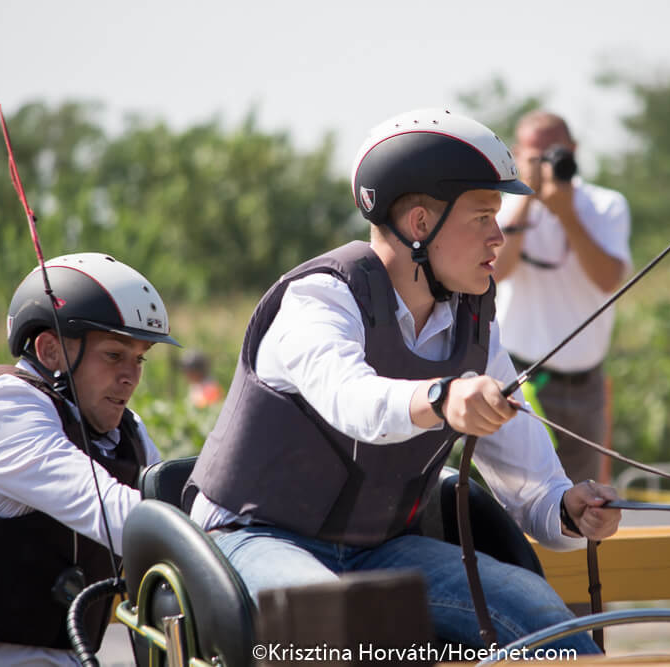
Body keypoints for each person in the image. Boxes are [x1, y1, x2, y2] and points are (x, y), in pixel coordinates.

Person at [186, 108, 622, 654]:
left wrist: (569, 509)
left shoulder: (475, 324)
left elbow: (530, 479)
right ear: (420, 224)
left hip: (379, 550)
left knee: (546, 621)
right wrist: (442, 397)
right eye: (483, 217)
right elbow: (352, 398)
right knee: (346, 626)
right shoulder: (319, 298)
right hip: (253, 537)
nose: (498, 238)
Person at [0, 252, 180, 666]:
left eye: (139, 358)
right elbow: (127, 516)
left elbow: (173, 512)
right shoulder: (4, 407)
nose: (130, 376)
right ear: (51, 350)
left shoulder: (126, 433)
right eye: (114, 355)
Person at [493, 110, 632, 484]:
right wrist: (526, 201)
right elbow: (494, 273)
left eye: (554, 154)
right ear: (517, 155)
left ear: (573, 151)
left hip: (585, 387)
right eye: (535, 156)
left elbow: (607, 279)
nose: (545, 164)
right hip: (521, 379)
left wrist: (566, 214)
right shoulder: (501, 208)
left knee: (579, 508)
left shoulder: (605, 205)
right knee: (516, 497)